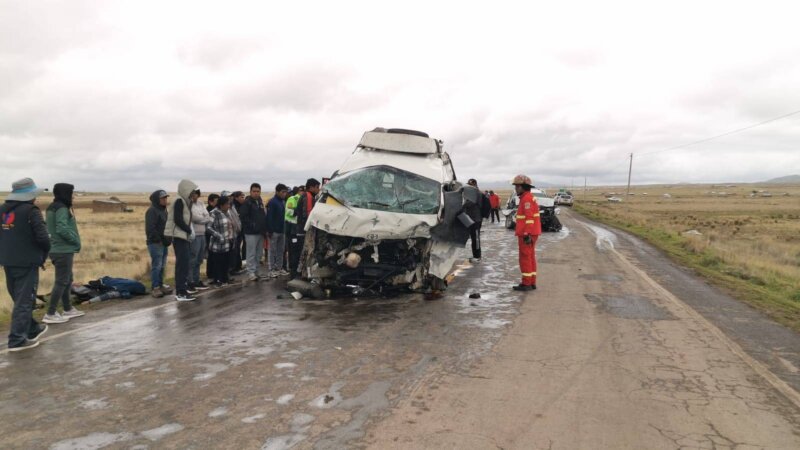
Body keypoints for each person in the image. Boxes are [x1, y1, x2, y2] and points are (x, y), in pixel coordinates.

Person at [0, 178, 50, 351]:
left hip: (7, 261)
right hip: (27, 262)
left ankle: (32, 328)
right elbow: (43, 237)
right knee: (24, 301)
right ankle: (17, 340)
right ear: (30, 195)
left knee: (19, 298)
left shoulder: (2, 210)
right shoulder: (31, 211)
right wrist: (44, 253)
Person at [44, 183, 85, 324]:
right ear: (65, 193)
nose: (73, 195)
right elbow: (62, 228)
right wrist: (75, 241)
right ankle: (50, 313)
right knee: (61, 281)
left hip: (56, 249)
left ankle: (68, 309)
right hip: (63, 250)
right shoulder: (62, 208)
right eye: (71, 192)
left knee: (67, 279)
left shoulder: (51, 207)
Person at [165, 179, 199, 302]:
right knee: (182, 264)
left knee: (183, 264)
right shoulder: (179, 201)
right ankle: (180, 292)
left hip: (182, 236)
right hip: (179, 236)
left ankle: (182, 290)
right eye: (191, 191)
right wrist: (188, 230)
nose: (193, 194)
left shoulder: (183, 201)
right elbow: (178, 219)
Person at [511, 175, 542, 291]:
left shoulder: (526, 199)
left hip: (527, 234)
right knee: (530, 257)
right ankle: (532, 281)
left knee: (524, 258)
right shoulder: (528, 197)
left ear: (523, 187)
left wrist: (526, 233)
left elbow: (529, 218)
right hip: (531, 233)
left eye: (517, 186)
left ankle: (526, 283)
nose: (516, 189)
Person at [145, 190, 172, 298]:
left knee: (162, 265)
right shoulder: (152, 211)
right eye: (163, 198)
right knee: (157, 265)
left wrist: (168, 238)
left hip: (164, 242)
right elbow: (151, 229)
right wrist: (161, 239)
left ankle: (161, 285)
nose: (165, 200)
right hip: (155, 243)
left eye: (166, 198)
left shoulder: (164, 210)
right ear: (157, 200)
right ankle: (155, 287)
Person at [239, 183, 268, 282]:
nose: (256, 193)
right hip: (251, 233)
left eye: (258, 191)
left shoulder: (259, 202)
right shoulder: (247, 203)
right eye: (254, 191)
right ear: (250, 192)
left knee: (259, 253)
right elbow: (243, 217)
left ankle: (256, 271)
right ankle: (251, 272)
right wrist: (252, 225)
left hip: (260, 232)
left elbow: (262, 216)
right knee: (251, 253)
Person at [292, 179, 320, 278]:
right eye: (317, 187)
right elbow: (308, 214)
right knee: (302, 254)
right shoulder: (308, 196)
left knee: (299, 253)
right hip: (303, 231)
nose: (318, 189)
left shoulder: (305, 196)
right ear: (311, 187)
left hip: (301, 229)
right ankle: (298, 275)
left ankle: (297, 273)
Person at [207, 196, 235, 287]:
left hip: (227, 242)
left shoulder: (227, 213)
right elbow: (208, 227)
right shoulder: (214, 213)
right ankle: (217, 280)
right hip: (217, 244)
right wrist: (219, 236)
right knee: (217, 263)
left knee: (225, 262)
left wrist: (231, 237)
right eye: (227, 204)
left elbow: (231, 225)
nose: (229, 206)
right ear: (222, 205)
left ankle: (224, 279)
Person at [188, 189, 212, 291]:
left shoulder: (201, 203)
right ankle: (190, 281)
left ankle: (197, 280)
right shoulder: (189, 205)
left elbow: (207, 216)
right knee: (193, 258)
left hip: (202, 233)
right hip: (195, 235)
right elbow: (194, 217)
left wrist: (202, 218)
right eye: (193, 194)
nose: (195, 196)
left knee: (199, 258)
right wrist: (203, 218)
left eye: (196, 194)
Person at [266, 183, 289, 277]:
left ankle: (279, 268)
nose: (284, 194)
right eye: (283, 192)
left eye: (285, 192)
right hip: (274, 231)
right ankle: (271, 270)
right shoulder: (272, 202)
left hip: (282, 230)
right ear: (277, 192)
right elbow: (269, 217)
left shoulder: (282, 202)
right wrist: (270, 231)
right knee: (272, 251)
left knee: (281, 250)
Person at [466, 179, 490, 262]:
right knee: (474, 237)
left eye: (470, 185)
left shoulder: (476, 193)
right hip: (472, 218)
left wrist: (463, 203)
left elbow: (471, 204)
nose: (468, 186)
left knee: (476, 238)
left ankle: (477, 257)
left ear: (474, 184)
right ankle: (475, 255)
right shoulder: (473, 193)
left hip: (476, 219)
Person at [229, 191, 246, 275]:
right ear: (236, 198)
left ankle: (238, 267)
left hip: (241, 230)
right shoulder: (233, 206)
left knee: (238, 249)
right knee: (234, 250)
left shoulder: (243, 205)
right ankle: (233, 268)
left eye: (244, 197)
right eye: (241, 197)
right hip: (235, 231)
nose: (243, 198)